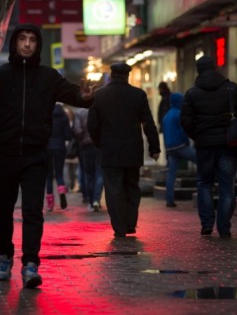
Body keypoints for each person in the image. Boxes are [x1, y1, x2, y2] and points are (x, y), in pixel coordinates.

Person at [0, 23, 95, 289]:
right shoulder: (0, 75)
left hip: (36, 156)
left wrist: (85, 96)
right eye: (22, 39)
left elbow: (74, 94)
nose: (27, 44)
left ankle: (30, 264)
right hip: (3, 155)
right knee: (2, 212)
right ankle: (4, 256)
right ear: (14, 43)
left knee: (33, 212)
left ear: (38, 45)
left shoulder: (49, 77)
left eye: (32, 40)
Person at [180, 55, 237, 239]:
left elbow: (186, 121)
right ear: (215, 68)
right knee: (227, 187)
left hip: (204, 146)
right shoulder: (231, 88)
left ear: (198, 70)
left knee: (204, 184)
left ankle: (206, 225)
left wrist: (197, 136)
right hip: (228, 145)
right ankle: (224, 228)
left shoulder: (192, 93)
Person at [87, 63, 160, 238]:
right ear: (127, 75)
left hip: (109, 151)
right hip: (132, 151)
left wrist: (100, 143)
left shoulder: (99, 96)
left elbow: (92, 126)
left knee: (113, 190)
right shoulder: (138, 95)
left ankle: (119, 228)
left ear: (111, 75)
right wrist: (154, 147)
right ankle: (130, 223)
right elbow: (148, 123)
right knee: (132, 187)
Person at [162, 92, 196, 208]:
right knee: (202, 161)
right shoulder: (179, 114)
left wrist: (167, 148)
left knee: (171, 174)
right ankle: (206, 190)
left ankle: (169, 199)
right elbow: (184, 131)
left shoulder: (166, 116)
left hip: (170, 148)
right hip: (181, 146)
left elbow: (165, 134)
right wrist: (187, 141)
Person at [73, 107, 103, 211]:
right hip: (99, 146)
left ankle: (91, 201)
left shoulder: (79, 112)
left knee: (89, 173)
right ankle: (96, 200)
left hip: (86, 146)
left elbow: (77, 130)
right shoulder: (100, 109)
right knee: (99, 173)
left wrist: (82, 139)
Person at [45, 103, 73, 211]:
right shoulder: (64, 116)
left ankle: (50, 204)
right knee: (59, 174)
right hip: (60, 148)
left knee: (49, 176)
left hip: (48, 148)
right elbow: (68, 135)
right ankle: (61, 191)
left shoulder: (47, 115)